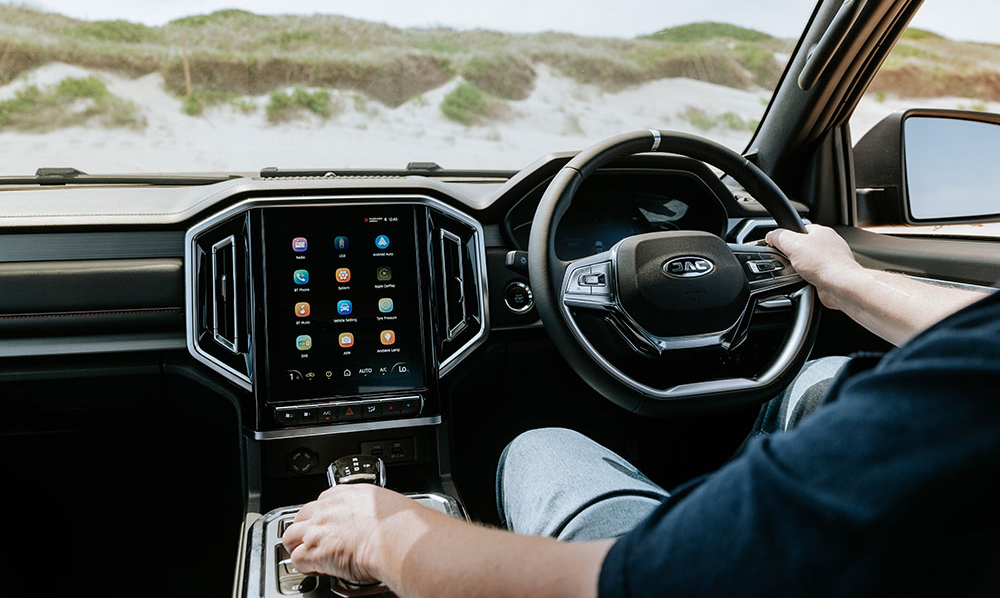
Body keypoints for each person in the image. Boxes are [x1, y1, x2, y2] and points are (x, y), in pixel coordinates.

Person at [281, 225, 999, 597]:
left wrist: (386, 532)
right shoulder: (964, 385)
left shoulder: (939, 418)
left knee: (540, 445)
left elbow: (613, 586)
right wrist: (844, 279)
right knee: (826, 374)